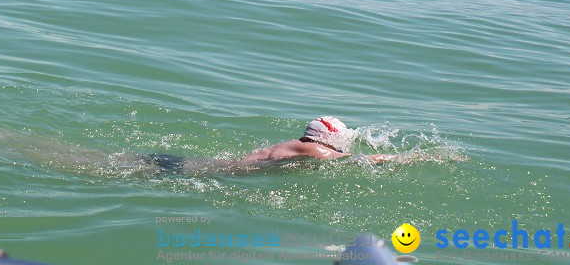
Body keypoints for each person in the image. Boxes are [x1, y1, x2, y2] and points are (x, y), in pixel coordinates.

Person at [137, 116, 396, 175]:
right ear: (327, 139)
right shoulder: (311, 149)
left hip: (206, 166)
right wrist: (404, 158)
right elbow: (352, 159)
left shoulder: (295, 145)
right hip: (206, 170)